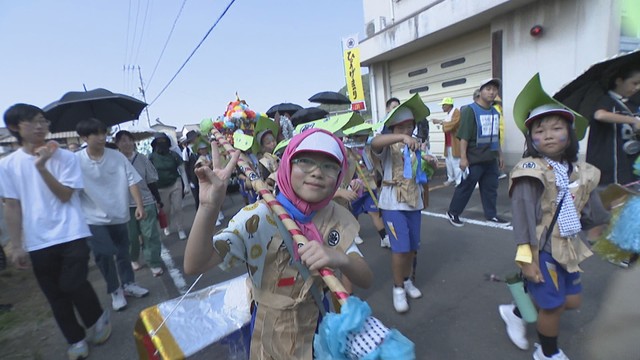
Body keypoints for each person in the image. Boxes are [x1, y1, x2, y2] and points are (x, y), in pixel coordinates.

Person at [184, 128, 372, 359]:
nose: (317, 172)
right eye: (305, 161)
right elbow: (195, 264)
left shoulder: (336, 217)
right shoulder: (258, 217)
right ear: (287, 165)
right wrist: (208, 207)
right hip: (269, 332)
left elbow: (365, 278)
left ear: (341, 173)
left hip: (319, 328)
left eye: (330, 165)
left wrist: (339, 258)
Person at [498, 99, 609, 359]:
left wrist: (610, 228)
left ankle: (515, 311)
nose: (548, 135)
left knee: (572, 301)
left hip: (569, 246)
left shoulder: (582, 171)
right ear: (531, 139)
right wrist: (526, 261)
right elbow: (522, 220)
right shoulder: (529, 171)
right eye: (539, 130)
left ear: (569, 134)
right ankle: (547, 353)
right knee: (554, 306)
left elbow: (592, 213)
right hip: (542, 249)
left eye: (556, 128)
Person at [0, 104, 111, 359]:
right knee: (56, 295)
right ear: (16, 128)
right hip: (38, 240)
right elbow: (12, 207)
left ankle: (96, 320)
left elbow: (64, 195)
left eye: (43, 121)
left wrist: (41, 167)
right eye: (32, 122)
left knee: (73, 283)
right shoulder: (8, 165)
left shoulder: (66, 157)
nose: (40, 126)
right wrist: (17, 246)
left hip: (71, 232)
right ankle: (75, 340)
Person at [76, 118, 150, 311]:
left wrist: (140, 205)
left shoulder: (117, 157)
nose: (102, 137)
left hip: (119, 214)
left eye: (104, 133)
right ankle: (115, 289)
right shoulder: (76, 160)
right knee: (104, 254)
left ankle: (128, 284)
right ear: (84, 137)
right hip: (92, 218)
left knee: (123, 252)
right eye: (96, 134)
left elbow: (131, 180)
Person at [371, 95, 431, 313]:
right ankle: (397, 289)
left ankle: (407, 282)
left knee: (413, 248)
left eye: (410, 126)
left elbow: (420, 174)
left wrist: (427, 162)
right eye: (402, 126)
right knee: (400, 249)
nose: (407, 130)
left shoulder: (416, 145)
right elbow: (374, 143)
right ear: (393, 127)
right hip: (392, 203)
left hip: (414, 202)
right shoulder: (388, 143)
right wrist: (398, 137)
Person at [446, 78, 510, 227]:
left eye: (494, 89)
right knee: (466, 187)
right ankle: (453, 212)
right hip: (474, 158)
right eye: (488, 89)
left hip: (490, 157)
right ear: (480, 91)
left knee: (490, 189)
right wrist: (463, 158)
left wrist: (500, 155)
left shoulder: (495, 111)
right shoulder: (470, 110)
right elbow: (464, 136)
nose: (492, 92)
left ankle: (491, 215)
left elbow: (496, 135)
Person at [115, 130, 164, 277]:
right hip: (124, 205)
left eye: (129, 140)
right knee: (131, 237)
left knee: (150, 235)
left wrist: (158, 200)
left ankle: (154, 262)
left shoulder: (142, 159)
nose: (127, 143)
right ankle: (133, 258)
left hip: (146, 201)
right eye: (123, 140)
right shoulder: (115, 161)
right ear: (117, 144)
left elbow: (151, 182)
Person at [586, 65, 640, 186]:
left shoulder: (633, 105)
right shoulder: (606, 100)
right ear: (619, 81)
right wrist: (633, 120)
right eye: (634, 83)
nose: (637, 88)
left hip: (628, 164)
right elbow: (600, 115)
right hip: (607, 163)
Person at [149, 133, 190, 240]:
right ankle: (166, 226)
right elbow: (148, 174)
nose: (161, 143)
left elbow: (182, 170)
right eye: (159, 141)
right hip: (160, 187)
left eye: (164, 141)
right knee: (166, 210)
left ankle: (180, 228)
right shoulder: (152, 157)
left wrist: (186, 185)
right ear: (155, 144)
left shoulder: (173, 155)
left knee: (178, 207)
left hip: (175, 183)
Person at [432, 97, 462, 186]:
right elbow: (447, 125)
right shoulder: (449, 114)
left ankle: (459, 181)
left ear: (449, 105)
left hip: (455, 142)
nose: (442, 107)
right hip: (449, 143)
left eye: (443, 105)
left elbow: (453, 124)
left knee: (456, 162)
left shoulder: (456, 112)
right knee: (449, 162)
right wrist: (441, 122)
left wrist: (440, 122)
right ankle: (451, 178)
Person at [181, 130, 201, 210]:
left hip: (202, 174)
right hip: (193, 177)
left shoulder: (199, 148)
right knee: (197, 198)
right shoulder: (186, 151)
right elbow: (185, 167)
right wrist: (189, 181)